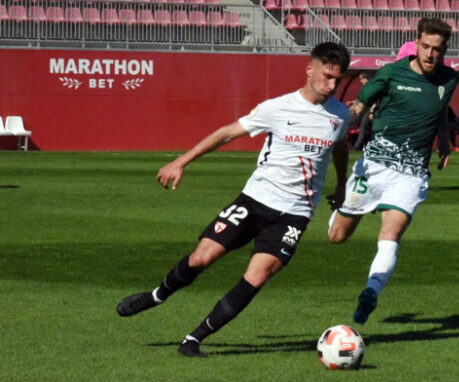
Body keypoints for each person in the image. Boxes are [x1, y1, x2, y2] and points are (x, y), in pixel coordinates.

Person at [115, 42, 351, 357]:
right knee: (201, 258)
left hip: (295, 214)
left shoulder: (339, 115)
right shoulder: (277, 108)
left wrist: (341, 184)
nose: (332, 85)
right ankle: (157, 295)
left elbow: (339, 148)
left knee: (258, 275)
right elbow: (227, 133)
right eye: (327, 76)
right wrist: (181, 161)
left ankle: (193, 339)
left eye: (338, 79)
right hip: (254, 200)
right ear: (310, 69)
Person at [328, 18, 457, 325]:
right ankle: (340, 202)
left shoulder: (449, 79)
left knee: (391, 233)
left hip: (411, 173)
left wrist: (446, 143)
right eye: (425, 47)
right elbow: (360, 106)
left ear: (444, 50)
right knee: (336, 236)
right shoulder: (391, 72)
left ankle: (371, 292)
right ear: (416, 43)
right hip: (372, 168)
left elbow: (439, 113)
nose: (430, 55)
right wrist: (340, 123)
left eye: (437, 49)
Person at [353, 72, 375, 150]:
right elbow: (362, 100)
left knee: (363, 127)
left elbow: (374, 100)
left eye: (361, 79)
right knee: (365, 128)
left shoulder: (371, 86)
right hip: (366, 110)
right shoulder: (366, 87)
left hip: (371, 110)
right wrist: (353, 102)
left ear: (366, 78)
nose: (360, 81)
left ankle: (357, 146)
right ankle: (363, 145)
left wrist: (372, 112)